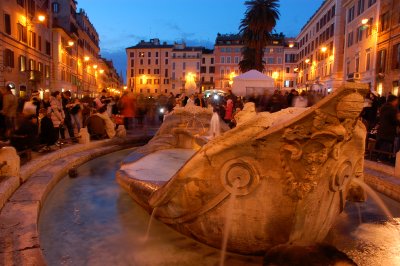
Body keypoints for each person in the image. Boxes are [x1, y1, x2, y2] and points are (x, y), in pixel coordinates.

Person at [376, 94, 399, 161]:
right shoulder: (392, 109)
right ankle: (382, 159)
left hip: (382, 129)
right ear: (393, 101)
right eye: (396, 101)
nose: (397, 103)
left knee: (382, 144)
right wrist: (398, 119)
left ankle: (379, 158)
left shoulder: (383, 107)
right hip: (389, 131)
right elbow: (394, 121)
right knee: (386, 146)